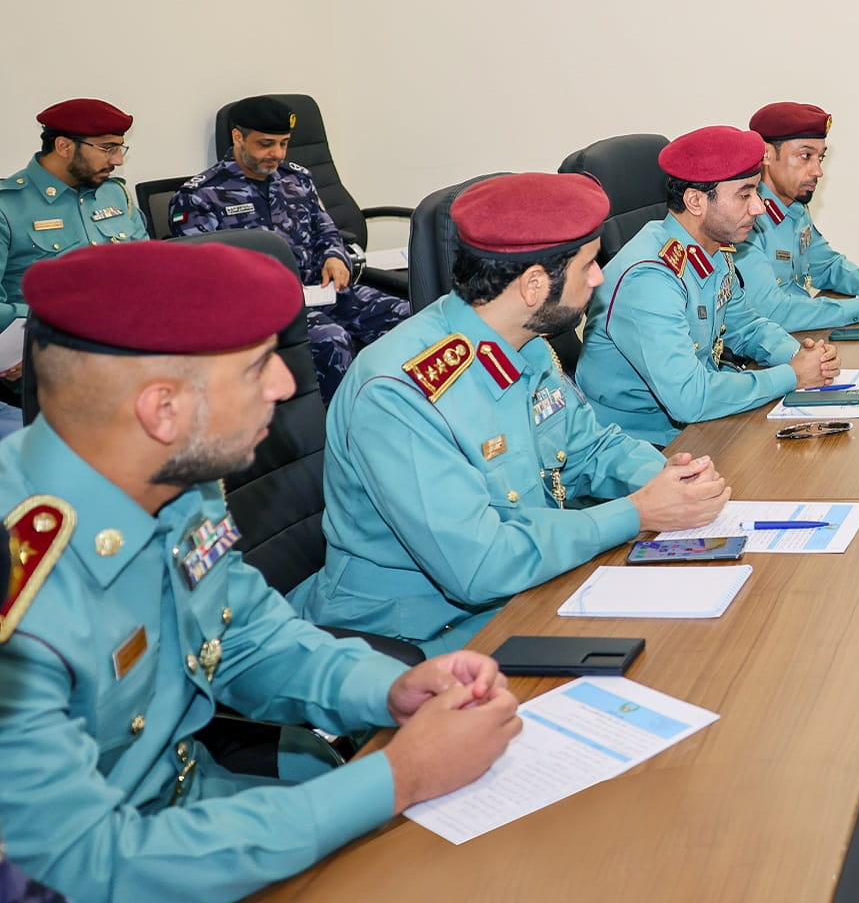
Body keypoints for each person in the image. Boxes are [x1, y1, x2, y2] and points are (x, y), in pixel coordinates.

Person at [0, 241, 520, 902]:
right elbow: (88, 864)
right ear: (163, 411)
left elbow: (244, 636)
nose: (284, 384)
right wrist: (401, 778)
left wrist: (390, 689)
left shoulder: (176, 477)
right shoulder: (21, 594)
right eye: (256, 369)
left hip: (205, 806)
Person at [295, 173, 730, 653]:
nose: (599, 277)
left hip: (530, 594)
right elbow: (479, 567)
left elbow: (587, 449)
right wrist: (637, 512)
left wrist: (675, 480)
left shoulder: (525, 344)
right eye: (588, 265)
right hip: (418, 641)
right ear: (534, 285)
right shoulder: (400, 394)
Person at [577, 126, 840, 446]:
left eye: (756, 193)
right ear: (695, 201)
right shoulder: (649, 278)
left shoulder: (712, 249)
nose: (758, 207)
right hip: (643, 445)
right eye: (745, 195)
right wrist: (792, 375)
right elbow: (688, 397)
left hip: (698, 424)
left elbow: (747, 326)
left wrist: (802, 357)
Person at [171, 95, 409, 399]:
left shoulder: (296, 179)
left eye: (284, 143)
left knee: (405, 315)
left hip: (318, 290)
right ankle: (338, 431)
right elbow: (206, 278)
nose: (277, 154)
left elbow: (327, 230)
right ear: (237, 137)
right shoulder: (200, 196)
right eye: (266, 144)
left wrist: (335, 257)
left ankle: (395, 408)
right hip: (263, 307)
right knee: (331, 340)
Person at [0, 99, 147, 436]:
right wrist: (39, 331)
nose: (118, 160)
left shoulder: (114, 196)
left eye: (121, 148)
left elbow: (149, 274)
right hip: (54, 373)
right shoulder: (7, 208)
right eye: (108, 148)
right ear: (64, 146)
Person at [734, 101, 859, 330]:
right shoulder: (743, 219)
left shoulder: (794, 208)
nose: (818, 171)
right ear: (765, 154)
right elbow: (774, 311)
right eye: (805, 156)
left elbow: (828, 267)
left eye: (820, 158)